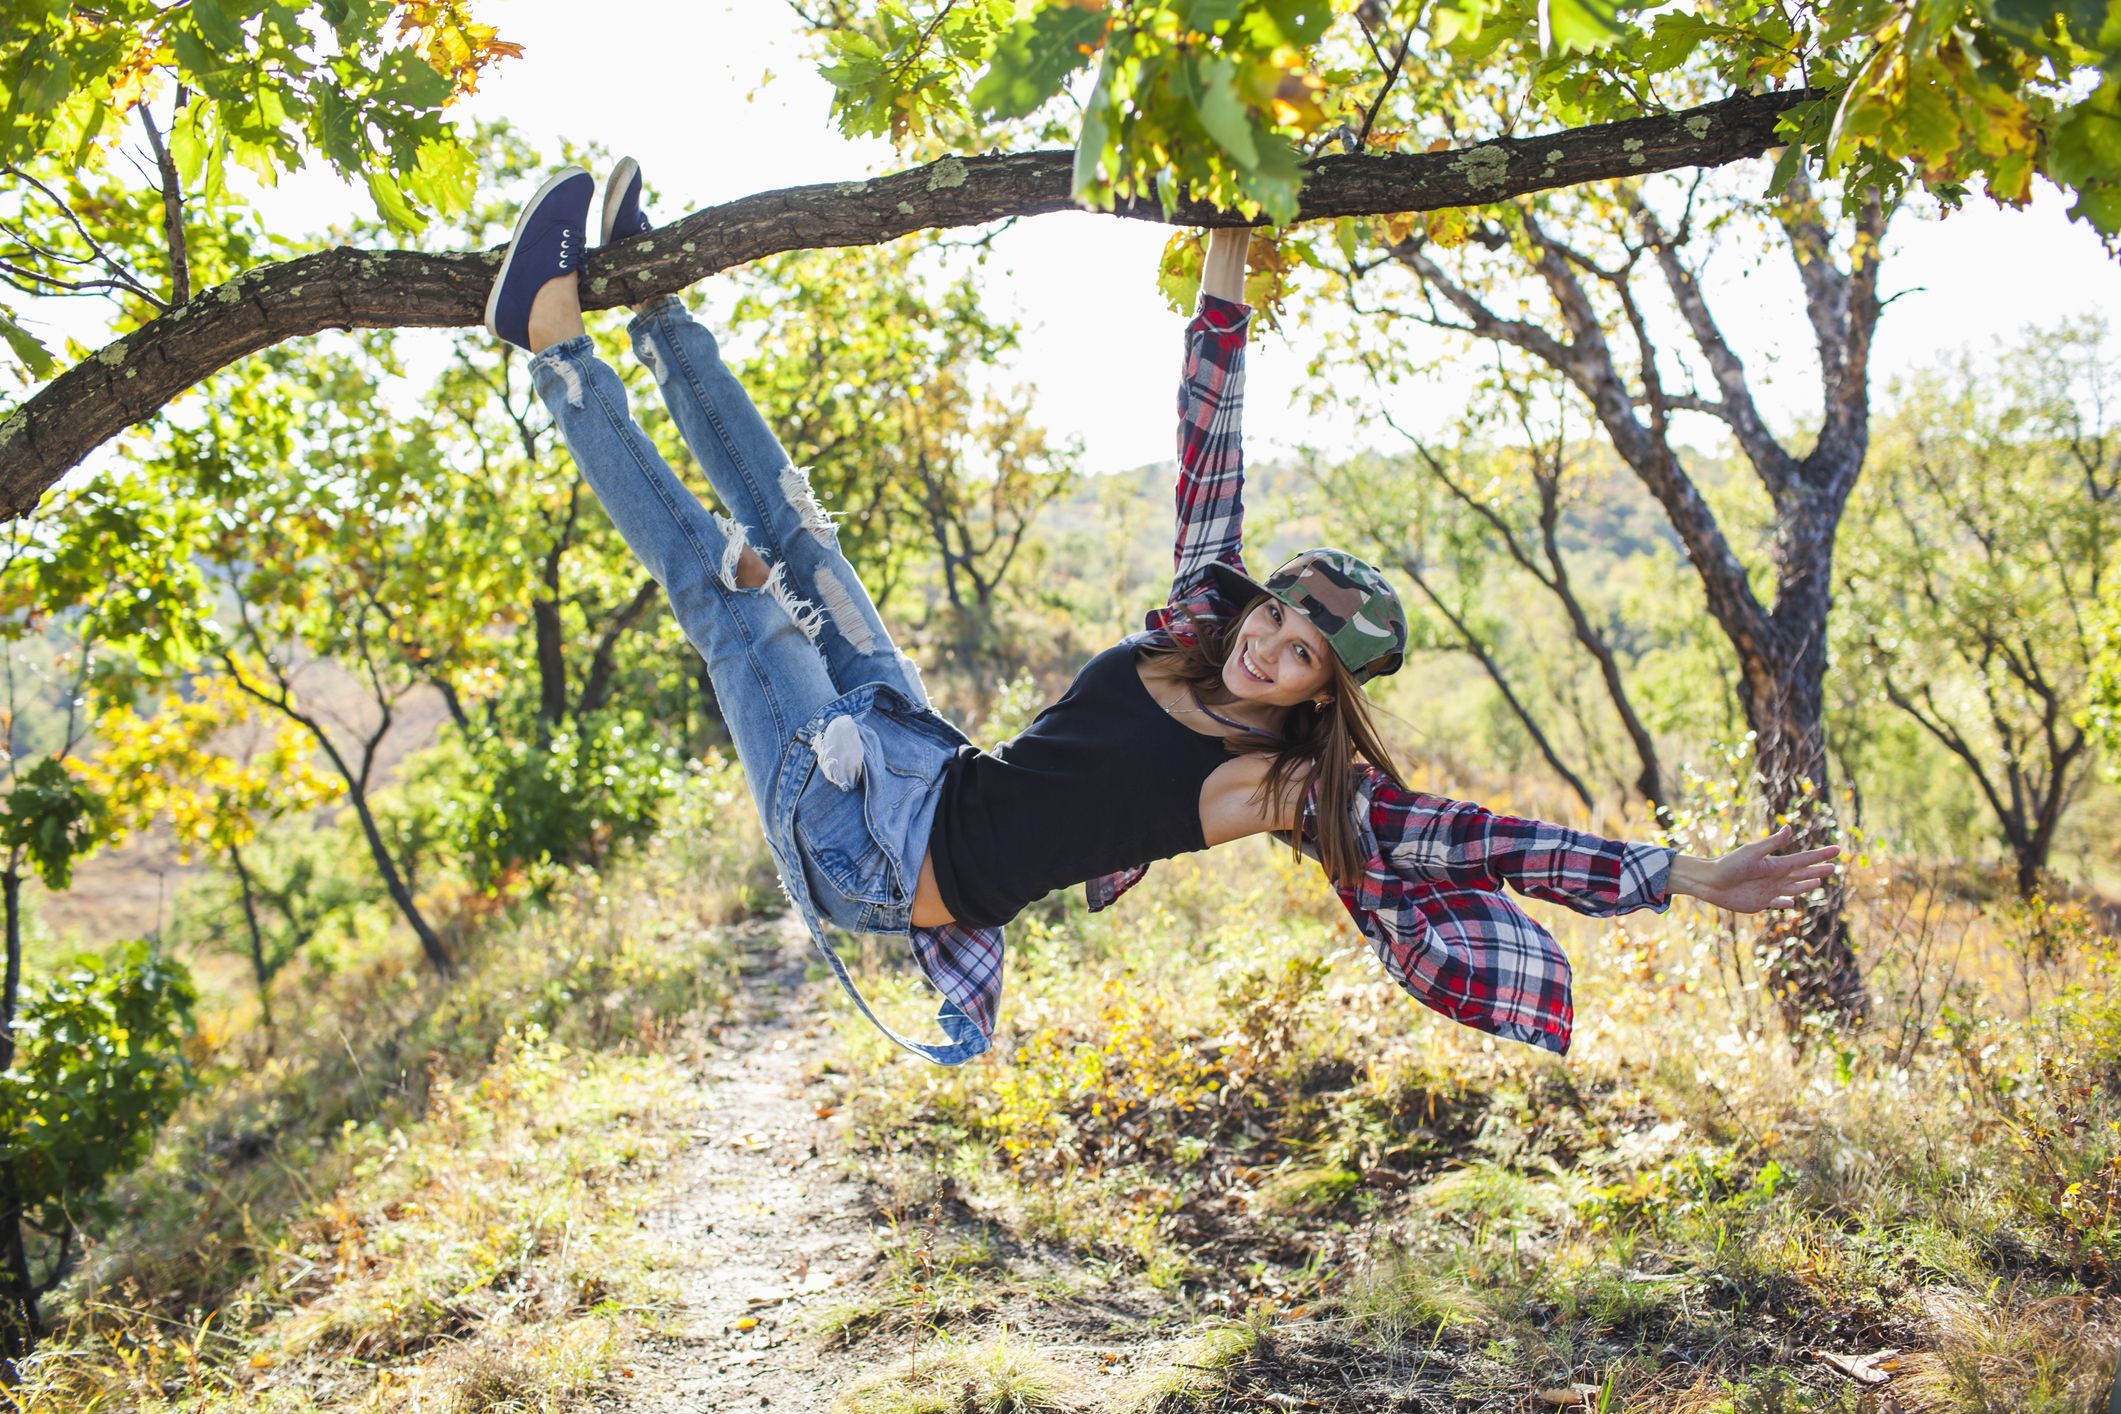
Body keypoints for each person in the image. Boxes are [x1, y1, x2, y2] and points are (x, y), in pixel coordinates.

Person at [483, 161, 1840, 1066]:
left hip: (865, 859)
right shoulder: (1197, 623)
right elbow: (1209, 439)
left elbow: (1468, 835)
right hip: (917, 759)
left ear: (1319, 693)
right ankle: (653, 305)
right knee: (796, 532)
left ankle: (551, 344)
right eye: (1280, 615)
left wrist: (1678, 872)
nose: (1270, 642)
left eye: (1301, 652)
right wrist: (1228, 249)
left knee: (745, 614)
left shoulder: (1263, 783)